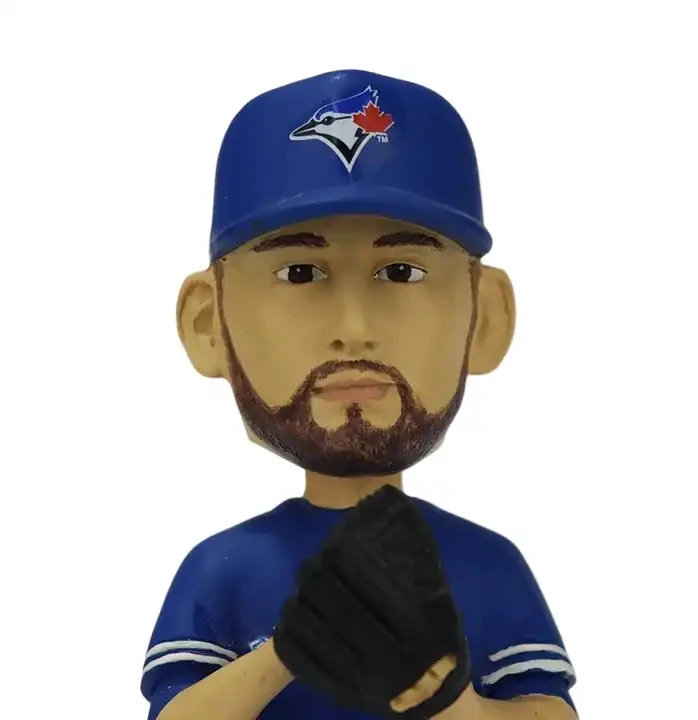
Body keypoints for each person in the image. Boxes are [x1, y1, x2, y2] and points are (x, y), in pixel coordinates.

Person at [140, 69, 578, 719]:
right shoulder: (224, 568)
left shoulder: (485, 563)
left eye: (401, 272)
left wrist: (447, 700)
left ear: (485, 318)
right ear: (209, 324)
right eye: (299, 273)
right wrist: (292, 649)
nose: (354, 327)